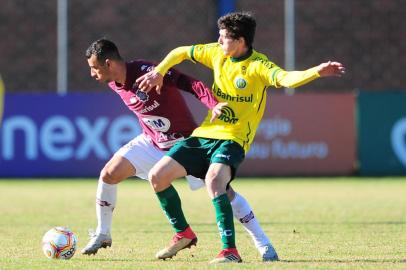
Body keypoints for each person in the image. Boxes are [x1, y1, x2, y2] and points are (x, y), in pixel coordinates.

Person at [136, 11, 345, 264]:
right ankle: (183, 233)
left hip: (233, 139)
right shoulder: (216, 53)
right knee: (157, 176)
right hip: (204, 135)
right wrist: (159, 71)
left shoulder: (258, 65)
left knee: (215, 181)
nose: (219, 41)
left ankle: (230, 251)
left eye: (224, 37)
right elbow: (180, 51)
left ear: (241, 40)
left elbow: (286, 78)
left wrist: (315, 72)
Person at [82, 38, 279, 261]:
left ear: (109, 63)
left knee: (224, 191)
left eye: (94, 68)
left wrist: (213, 104)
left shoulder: (149, 71)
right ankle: (103, 233)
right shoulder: (113, 82)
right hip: (152, 142)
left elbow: (191, 83)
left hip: (183, 144)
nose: (92, 73)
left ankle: (263, 243)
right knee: (108, 174)